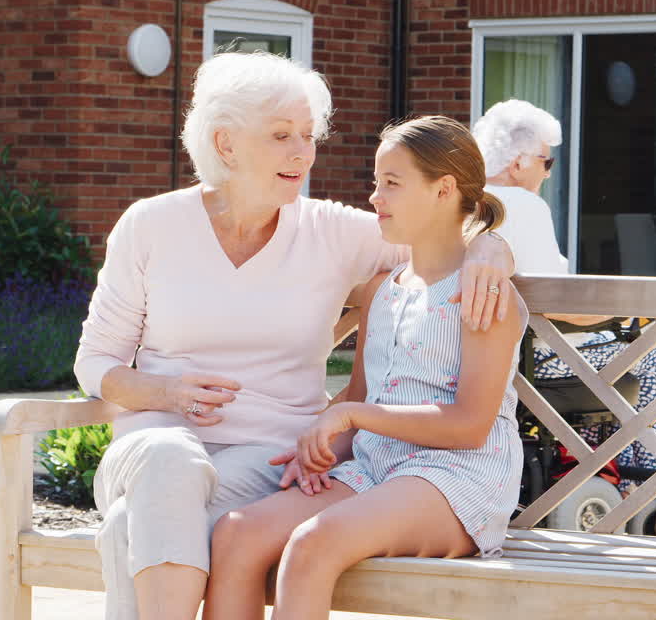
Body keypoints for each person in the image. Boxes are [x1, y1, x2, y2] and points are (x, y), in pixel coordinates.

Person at [74, 51, 516, 620]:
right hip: (154, 447)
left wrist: (490, 245)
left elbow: (441, 233)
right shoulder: (150, 224)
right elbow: (95, 364)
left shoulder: (331, 231)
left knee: (124, 527)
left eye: (308, 136)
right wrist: (168, 395)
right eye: (281, 135)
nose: (302, 152)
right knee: (169, 458)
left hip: (270, 461)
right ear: (225, 144)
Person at [203, 115, 528, 620]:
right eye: (376, 182)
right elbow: (359, 395)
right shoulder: (384, 289)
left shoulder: (481, 292)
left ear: (444, 190)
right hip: (375, 469)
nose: (375, 197)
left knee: (313, 543)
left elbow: (470, 426)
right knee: (236, 532)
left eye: (392, 184)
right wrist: (315, 448)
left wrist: (354, 418)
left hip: (457, 478)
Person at [473, 98, 656, 494]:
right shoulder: (525, 206)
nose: (547, 174)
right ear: (519, 163)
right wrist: (621, 317)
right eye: (547, 162)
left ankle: (592, 471)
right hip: (535, 365)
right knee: (646, 348)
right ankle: (651, 480)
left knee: (600, 349)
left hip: (479, 359)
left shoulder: (464, 202)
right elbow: (559, 306)